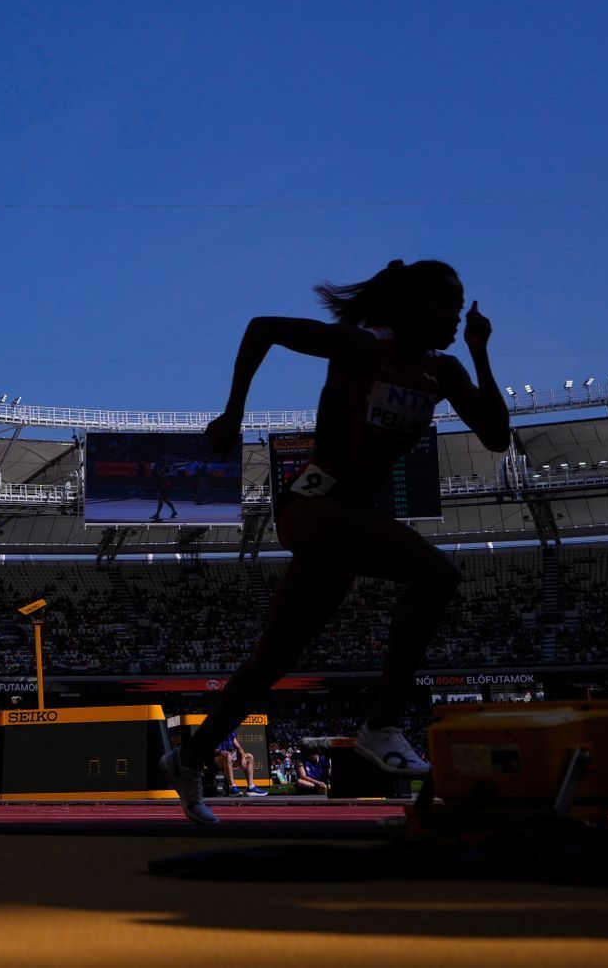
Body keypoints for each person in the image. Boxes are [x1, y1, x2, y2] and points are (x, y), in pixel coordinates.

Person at [165, 260, 511, 825]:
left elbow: (497, 437)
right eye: (443, 303)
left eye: (459, 304)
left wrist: (479, 351)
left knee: (275, 658)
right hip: (313, 504)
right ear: (408, 305)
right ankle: (382, 724)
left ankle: (189, 758)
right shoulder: (361, 347)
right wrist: (234, 412)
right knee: (438, 575)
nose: (455, 315)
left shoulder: (444, 371)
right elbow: (262, 328)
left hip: (351, 517)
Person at [215, 733, 266, 797]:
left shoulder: (230, 734)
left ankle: (251, 787)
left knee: (249, 757)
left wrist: (243, 757)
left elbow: (239, 748)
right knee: (228, 756)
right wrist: (220, 751)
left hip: (229, 758)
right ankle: (232, 787)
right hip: (217, 760)